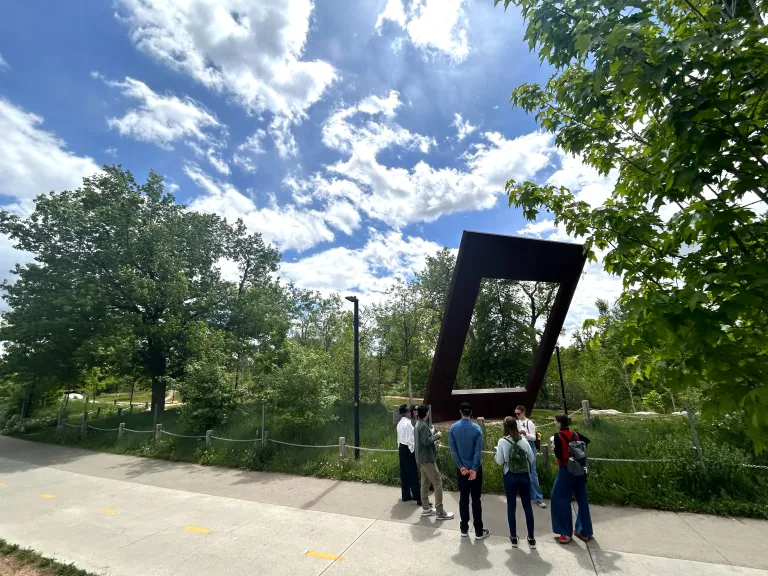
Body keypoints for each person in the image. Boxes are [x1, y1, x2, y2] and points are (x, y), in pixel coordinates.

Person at [448, 402, 490, 540]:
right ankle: (478, 531)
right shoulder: (477, 429)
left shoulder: (453, 428)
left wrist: (461, 466)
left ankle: (464, 529)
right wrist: (474, 468)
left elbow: (453, 450)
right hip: (474, 470)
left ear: (460, 412)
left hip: (462, 470)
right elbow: (478, 451)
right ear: (471, 412)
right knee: (476, 500)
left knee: (463, 499)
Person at [550, 414, 593, 544]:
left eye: (555, 421)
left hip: (566, 470)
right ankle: (584, 530)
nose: (554, 423)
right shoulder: (575, 434)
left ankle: (565, 532)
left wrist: (553, 445)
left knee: (559, 498)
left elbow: (559, 455)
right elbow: (587, 441)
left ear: (559, 423)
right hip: (579, 469)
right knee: (582, 499)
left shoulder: (558, 437)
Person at [495, 416, 536, 548]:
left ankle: (513, 537)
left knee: (511, 506)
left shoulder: (502, 441)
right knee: (527, 507)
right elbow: (531, 458)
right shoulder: (523, 441)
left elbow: (500, 461)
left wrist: (496, 454)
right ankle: (531, 538)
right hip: (524, 475)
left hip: (510, 475)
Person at [414, 405, 454, 521]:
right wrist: (437, 436)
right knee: (438, 482)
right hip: (427, 459)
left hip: (421, 458)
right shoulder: (423, 426)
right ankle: (440, 511)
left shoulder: (417, 424)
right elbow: (426, 442)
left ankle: (426, 507)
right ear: (427, 413)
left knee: (425, 482)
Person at [515, 405, 547, 508]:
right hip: (520, 446)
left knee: (532, 472)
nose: (517, 415)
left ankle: (538, 497)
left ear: (524, 412)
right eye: (516, 413)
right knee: (522, 472)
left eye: (519, 413)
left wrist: (525, 433)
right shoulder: (516, 422)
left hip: (530, 446)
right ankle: (525, 494)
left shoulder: (529, 423)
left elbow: (534, 438)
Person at [396, 404, 421, 505]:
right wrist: (413, 450)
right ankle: (417, 497)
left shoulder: (400, 423)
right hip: (408, 448)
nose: (411, 414)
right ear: (406, 413)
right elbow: (411, 440)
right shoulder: (408, 424)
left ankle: (406, 495)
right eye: (410, 412)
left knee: (404, 473)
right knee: (413, 473)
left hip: (401, 447)